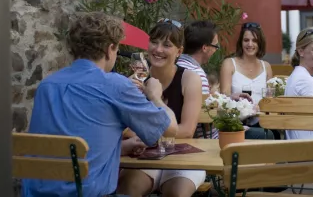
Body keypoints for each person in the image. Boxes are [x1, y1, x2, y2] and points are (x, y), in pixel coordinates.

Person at [22, 12, 178, 197]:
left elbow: (65, 148)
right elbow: (169, 130)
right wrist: (155, 96)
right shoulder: (116, 86)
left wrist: (120, 147)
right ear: (109, 49)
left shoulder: (47, 85)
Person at [117, 19, 205, 197]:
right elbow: (124, 128)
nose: (158, 49)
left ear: (179, 51)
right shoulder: (136, 79)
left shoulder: (189, 79)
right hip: (145, 156)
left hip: (183, 156)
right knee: (127, 189)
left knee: (177, 194)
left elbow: (187, 130)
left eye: (166, 45)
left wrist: (145, 133)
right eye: (154, 42)